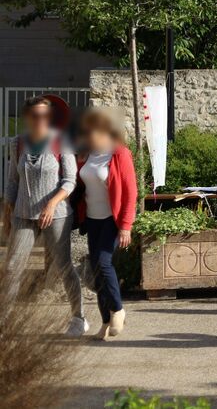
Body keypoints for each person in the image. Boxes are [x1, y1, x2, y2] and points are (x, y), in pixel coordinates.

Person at [2, 95, 85, 336]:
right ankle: (5, 323)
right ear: (28, 118)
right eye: (35, 115)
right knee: (13, 267)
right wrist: (8, 213)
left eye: (45, 116)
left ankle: (78, 317)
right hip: (23, 214)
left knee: (63, 265)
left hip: (56, 213)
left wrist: (50, 205)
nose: (41, 120)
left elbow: (70, 181)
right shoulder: (18, 143)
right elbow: (12, 182)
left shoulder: (62, 142)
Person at [76, 107, 139, 341]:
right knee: (96, 271)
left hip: (112, 220)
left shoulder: (119, 154)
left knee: (103, 263)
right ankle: (104, 323)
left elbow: (131, 192)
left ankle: (119, 310)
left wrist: (125, 226)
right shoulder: (87, 154)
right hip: (92, 219)